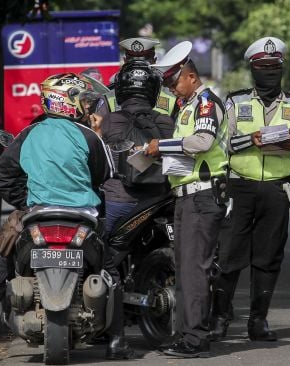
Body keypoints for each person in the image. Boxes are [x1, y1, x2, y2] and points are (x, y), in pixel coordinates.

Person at [0, 73, 134, 360]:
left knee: (7, 262)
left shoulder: (29, 134)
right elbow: (104, 175)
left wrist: (27, 200)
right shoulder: (89, 136)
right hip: (82, 219)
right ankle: (116, 342)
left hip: (39, 216)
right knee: (110, 269)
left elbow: (2, 176)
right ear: (69, 102)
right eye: (83, 101)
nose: (87, 108)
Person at [209, 36, 290, 344]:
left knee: (268, 258)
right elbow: (222, 143)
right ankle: (219, 319)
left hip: (277, 189)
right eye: (263, 67)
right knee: (228, 256)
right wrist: (252, 139)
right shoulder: (235, 101)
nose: (269, 71)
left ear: (281, 68)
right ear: (253, 69)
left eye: (274, 67)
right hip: (239, 186)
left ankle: (259, 321)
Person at [145, 41, 227, 358]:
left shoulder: (206, 103)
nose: (170, 88)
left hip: (203, 196)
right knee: (183, 267)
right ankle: (184, 333)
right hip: (185, 196)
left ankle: (196, 338)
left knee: (194, 270)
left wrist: (160, 146)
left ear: (190, 76)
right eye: (165, 83)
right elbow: (184, 152)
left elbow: (202, 142)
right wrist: (152, 156)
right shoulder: (187, 106)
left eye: (172, 81)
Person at [96, 59, 174, 236]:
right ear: (154, 90)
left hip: (119, 200)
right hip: (158, 201)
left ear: (121, 89)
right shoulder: (167, 121)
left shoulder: (109, 120)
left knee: (107, 255)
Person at [118, 37, 179, 119]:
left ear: (155, 61)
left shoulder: (173, 94)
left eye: (143, 63)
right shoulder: (109, 95)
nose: (139, 68)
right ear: (124, 61)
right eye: (133, 62)